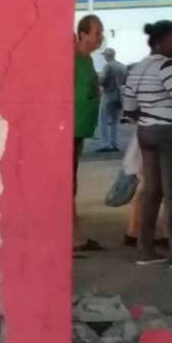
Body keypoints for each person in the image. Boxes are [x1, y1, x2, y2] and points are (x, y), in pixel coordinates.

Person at [122, 19, 172, 265]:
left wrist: (146, 115)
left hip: (146, 133)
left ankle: (146, 251)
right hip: (168, 132)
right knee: (171, 194)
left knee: (152, 192)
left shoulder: (138, 68)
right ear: (161, 42)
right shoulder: (167, 67)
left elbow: (129, 106)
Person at [73, 14, 103, 251]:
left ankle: (76, 235)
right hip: (69, 131)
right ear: (82, 34)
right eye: (96, 32)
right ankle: (74, 237)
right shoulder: (71, 58)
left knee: (71, 185)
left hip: (81, 130)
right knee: (67, 185)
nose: (100, 38)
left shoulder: (87, 60)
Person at [98, 47, 127, 151]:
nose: (104, 57)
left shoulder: (107, 67)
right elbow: (125, 81)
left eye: (104, 55)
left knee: (104, 120)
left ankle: (105, 144)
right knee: (115, 121)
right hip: (119, 95)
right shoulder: (122, 66)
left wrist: (96, 80)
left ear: (107, 56)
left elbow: (102, 81)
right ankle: (114, 144)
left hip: (108, 95)